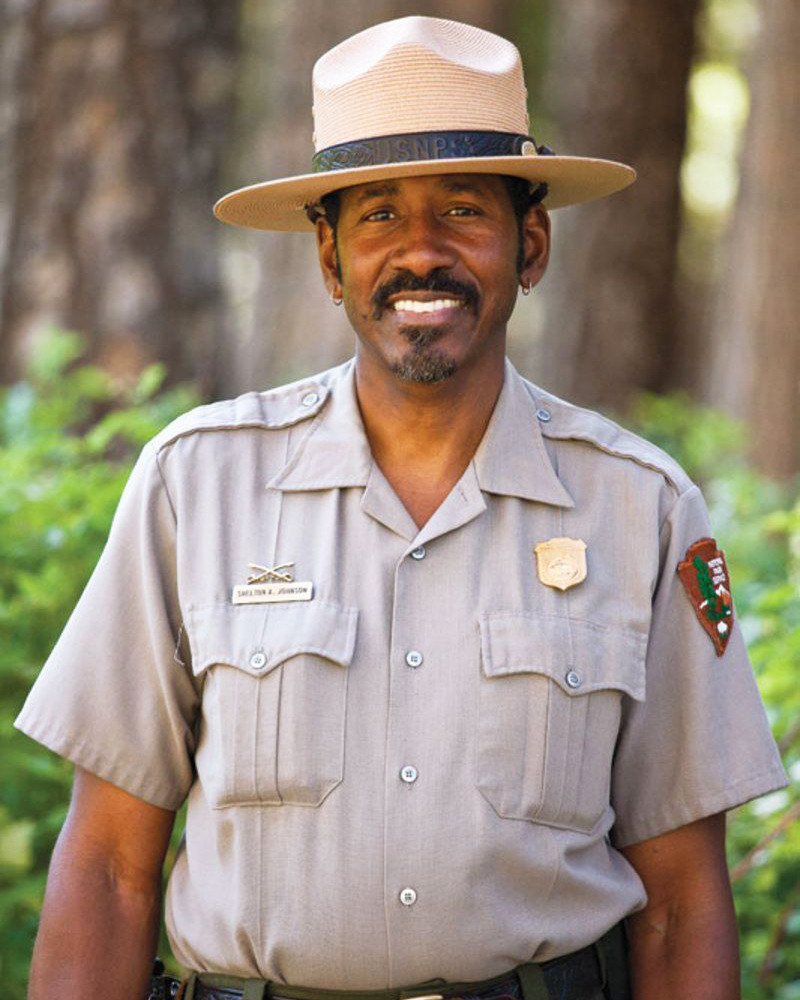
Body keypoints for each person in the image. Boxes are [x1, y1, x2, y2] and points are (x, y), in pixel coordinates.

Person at [16, 16, 786, 1000]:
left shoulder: (639, 509)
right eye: (377, 215)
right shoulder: (195, 486)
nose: (420, 252)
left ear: (530, 244)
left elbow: (680, 901)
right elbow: (109, 870)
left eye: (463, 210)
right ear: (330, 260)